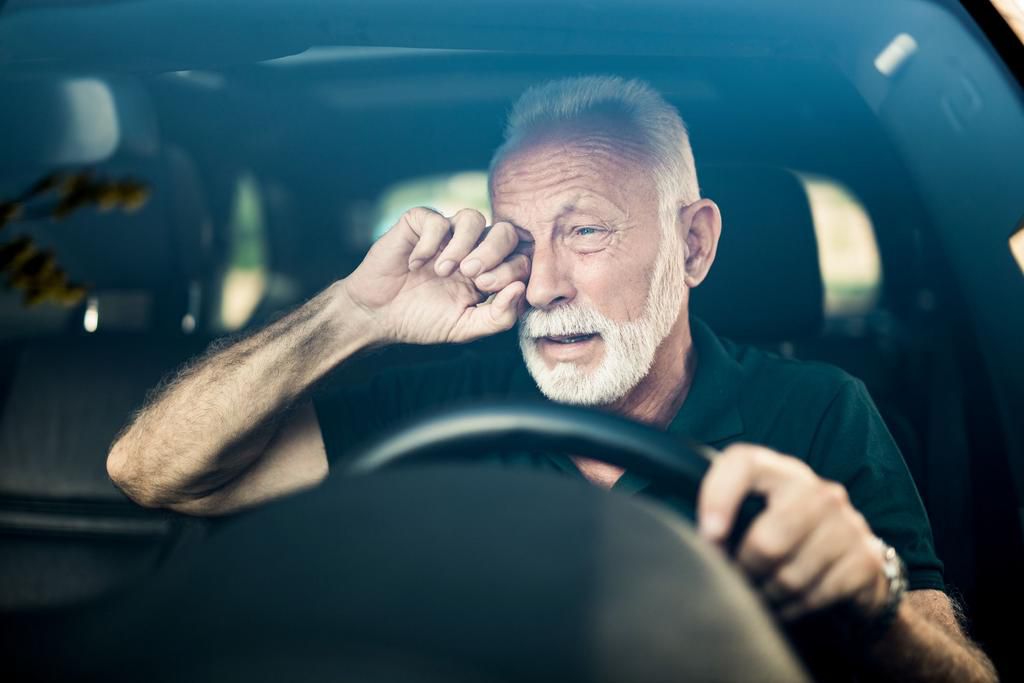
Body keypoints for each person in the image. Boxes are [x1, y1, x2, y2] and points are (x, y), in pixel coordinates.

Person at [106, 76, 996, 682]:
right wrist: (353, 316)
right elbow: (157, 472)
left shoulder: (819, 412)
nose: (542, 285)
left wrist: (868, 600)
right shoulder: (439, 396)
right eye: (522, 242)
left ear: (694, 244)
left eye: (586, 233)